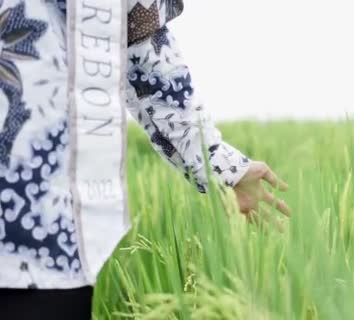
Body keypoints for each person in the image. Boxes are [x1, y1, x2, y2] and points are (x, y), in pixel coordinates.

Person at [0, 0, 290, 319]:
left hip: (32, 233)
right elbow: (138, 44)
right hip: (36, 229)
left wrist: (219, 164)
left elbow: (133, 36)